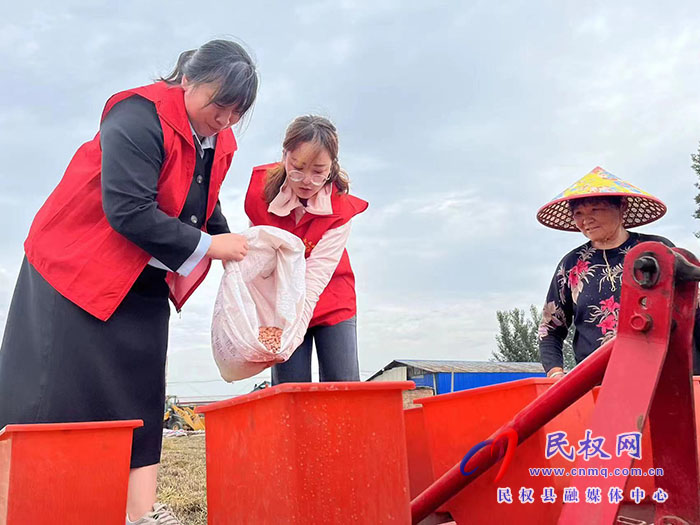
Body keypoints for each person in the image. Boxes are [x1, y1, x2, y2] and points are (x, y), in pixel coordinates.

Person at [0, 39, 258, 524]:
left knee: (138, 396)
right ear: (188, 79)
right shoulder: (138, 116)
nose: (224, 120)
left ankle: (137, 514)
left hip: (142, 273)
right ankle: (31, 507)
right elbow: (128, 209)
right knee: (51, 395)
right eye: (218, 105)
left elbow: (201, 199)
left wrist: (229, 241)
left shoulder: (217, 139)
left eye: (236, 112)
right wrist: (209, 247)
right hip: (74, 269)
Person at [536, 166, 700, 380]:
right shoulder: (571, 265)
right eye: (578, 213)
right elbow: (550, 328)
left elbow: (693, 308)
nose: (586, 219)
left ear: (622, 207)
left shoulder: (655, 250)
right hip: (599, 384)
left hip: (665, 376)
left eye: (596, 209)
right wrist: (556, 373)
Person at [244, 115, 368, 385]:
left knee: (343, 383)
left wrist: (296, 326)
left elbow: (316, 277)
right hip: (282, 300)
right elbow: (258, 260)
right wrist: (266, 317)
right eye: (297, 167)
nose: (306, 181)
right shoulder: (259, 194)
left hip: (330, 297)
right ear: (284, 154)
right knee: (291, 387)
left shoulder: (340, 208)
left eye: (318, 171)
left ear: (332, 167)